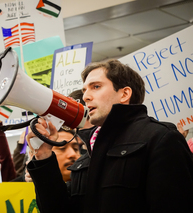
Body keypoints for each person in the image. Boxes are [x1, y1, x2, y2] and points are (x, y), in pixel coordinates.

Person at [26, 59, 193, 213]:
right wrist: (43, 157)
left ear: (124, 94)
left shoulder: (160, 139)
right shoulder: (85, 160)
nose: (85, 96)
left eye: (96, 87)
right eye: (84, 90)